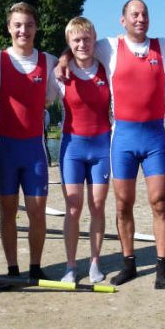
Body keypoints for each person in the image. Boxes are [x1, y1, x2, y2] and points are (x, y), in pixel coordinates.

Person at [61, 0, 165, 289]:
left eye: (145, 14)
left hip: (154, 137)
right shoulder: (109, 46)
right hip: (123, 136)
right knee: (123, 204)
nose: (140, 18)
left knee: (159, 202)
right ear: (123, 20)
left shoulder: (163, 47)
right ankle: (129, 263)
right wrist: (63, 58)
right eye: (134, 14)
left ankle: (162, 267)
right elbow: (76, 44)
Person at [0, 2, 59, 283]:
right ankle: (12, 268)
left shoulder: (49, 61)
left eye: (28, 25)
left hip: (34, 150)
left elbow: (49, 98)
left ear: (36, 28)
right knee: (8, 213)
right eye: (17, 25)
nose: (23, 30)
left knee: (37, 213)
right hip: (4, 149)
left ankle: (36, 266)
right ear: (9, 28)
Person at [53, 17, 111, 283]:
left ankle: (95, 263)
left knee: (97, 205)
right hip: (72, 147)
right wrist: (63, 60)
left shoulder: (107, 68)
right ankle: (71, 265)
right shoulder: (60, 73)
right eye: (76, 40)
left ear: (94, 39)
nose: (82, 44)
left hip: (101, 146)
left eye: (86, 38)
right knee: (73, 207)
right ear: (69, 43)